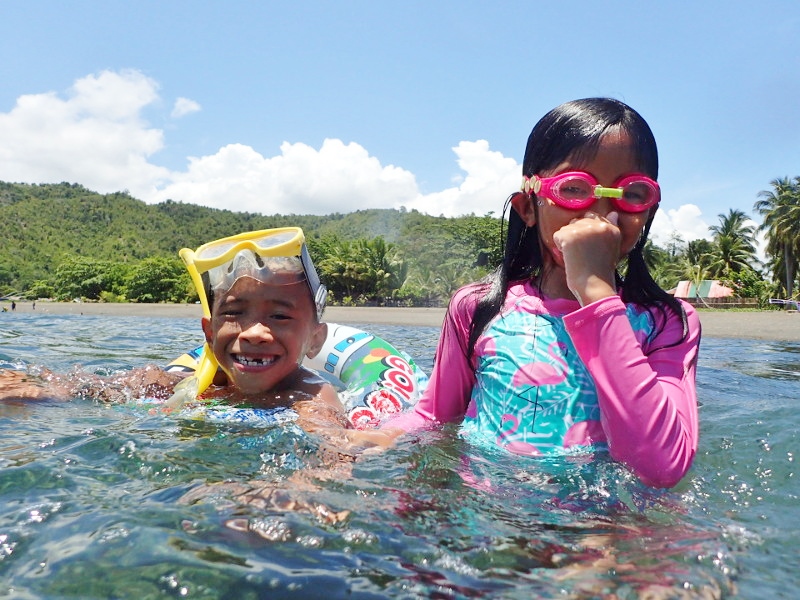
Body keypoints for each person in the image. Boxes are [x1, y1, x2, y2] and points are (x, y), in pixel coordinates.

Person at [384, 98, 700, 488]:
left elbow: (661, 467)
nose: (601, 214)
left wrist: (596, 294)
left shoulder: (667, 322)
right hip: (488, 514)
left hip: (601, 520)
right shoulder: (479, 307)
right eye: (574, 189)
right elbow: (435, 418)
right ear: (528, 208)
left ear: (649, 210)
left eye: (632, 194)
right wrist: (375, 443)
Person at [0, 228, 350, 437]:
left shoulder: (311, 394)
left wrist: (308, 484)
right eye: (233, 313)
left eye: (279, 315)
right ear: (209, 333)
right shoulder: (196, 381)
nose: (254, 332)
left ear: (315, 339)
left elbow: (326, 440)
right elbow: (107, 388)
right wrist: (47, 389)